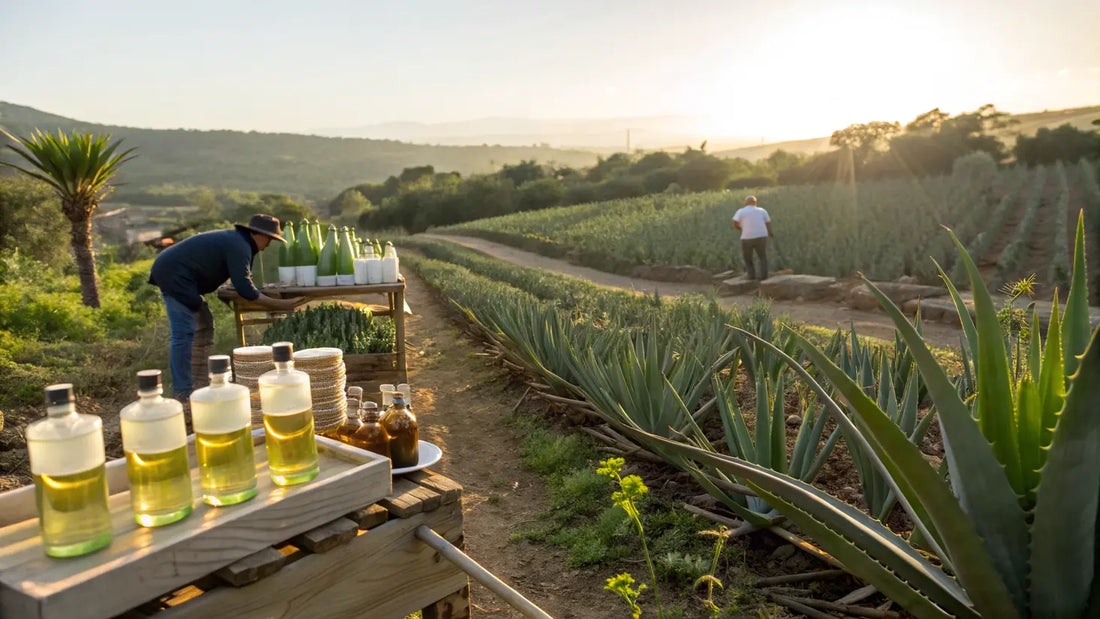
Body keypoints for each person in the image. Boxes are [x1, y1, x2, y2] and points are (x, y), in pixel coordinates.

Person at [149, 214, 302, 399]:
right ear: (257, 234)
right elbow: (245, 289)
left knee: (204, 325)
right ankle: (182, 391)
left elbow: (241, 277)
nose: (269, 243)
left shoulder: (239, 242)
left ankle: (199, 383)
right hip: (174, 275)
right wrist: (282, 304)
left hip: (180, 276)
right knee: (184, 333)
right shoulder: (240, 245)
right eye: (269, 238)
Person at [732, 195, 773, 280]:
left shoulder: (741, 211)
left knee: (748, 257)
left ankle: (751, 275)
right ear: (755, 203)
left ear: (746, 203)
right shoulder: (762, 211)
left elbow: (735, 221)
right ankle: (764, 276)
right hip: (762, 236)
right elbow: (767, 223)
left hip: (747, 237)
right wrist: (770, 233)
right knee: (762, 256)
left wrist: (740, 228)